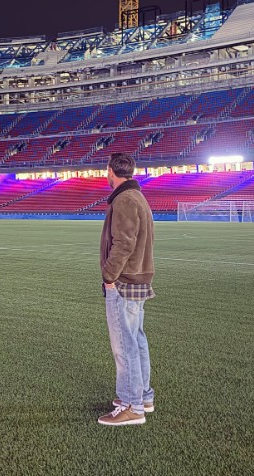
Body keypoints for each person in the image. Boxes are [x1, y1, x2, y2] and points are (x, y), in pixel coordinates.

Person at [97, 152, 155, 426]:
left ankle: (132, 406)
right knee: (136, 340)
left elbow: (123, 243)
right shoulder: (137, 197)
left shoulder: (124, 200)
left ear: (111, 171)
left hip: (124, 282)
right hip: (137, 280)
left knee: (124, 345)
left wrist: (109, 276)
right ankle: (143, 397)